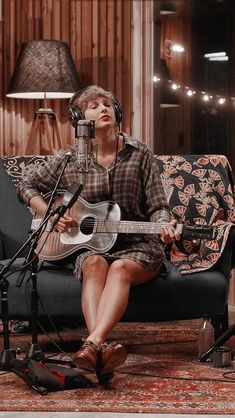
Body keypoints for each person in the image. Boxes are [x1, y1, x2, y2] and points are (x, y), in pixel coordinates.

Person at [17, 85, 180, 382]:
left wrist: (165, 227)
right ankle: (102, 352)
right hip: (91, 246)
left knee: (118, 268)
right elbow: (26, 185)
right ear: (80, 118)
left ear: (116, 113)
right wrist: (51, 214)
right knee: (93, 263)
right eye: (93, 105)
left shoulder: (138, 152)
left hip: (138, 245)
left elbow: (158, 206)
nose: (102, 108)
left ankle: (92, 345)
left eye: (107, 103)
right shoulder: (69, 158)